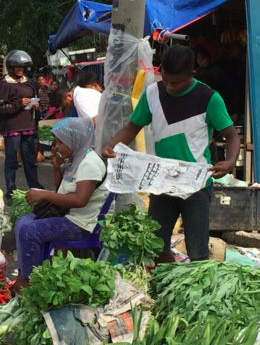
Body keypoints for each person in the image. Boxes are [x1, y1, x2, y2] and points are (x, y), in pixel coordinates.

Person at [101, 45, 239, 262]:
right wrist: (112, 145)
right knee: (156, 245)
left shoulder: (209, 98)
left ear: (191, 74)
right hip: (162, 181)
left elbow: (231, 135)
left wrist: (229, 162)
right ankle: (163, 287)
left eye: (176, 82)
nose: (170, 86)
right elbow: (132, 127)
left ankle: (196, 291)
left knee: (197, 251)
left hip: (196, 185)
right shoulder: (152, 93)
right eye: (166, 80)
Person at [13, 118, 107, 289]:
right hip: (69, 216)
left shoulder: (89, 164)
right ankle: (25, 274)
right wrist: (57, 168)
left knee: (30, 231)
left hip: (82, 224)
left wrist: (43, 195)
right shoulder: (76, 159)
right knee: (22, 222)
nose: (56, 147)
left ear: (75, 139)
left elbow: (79, 200)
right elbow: (60, 191)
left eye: (60, 142)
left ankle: (30, 282)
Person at [0, 50, 43, 201]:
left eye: (23, 67)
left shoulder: (30, 82)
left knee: (30, 160)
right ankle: (11, 190)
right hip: (12, 128)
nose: (20, 70)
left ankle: (35, 187)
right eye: (17, 67)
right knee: (12, 160)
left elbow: (37, 100)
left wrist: (35, 106)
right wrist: (20, 103)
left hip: (28, 127)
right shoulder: (4, 84)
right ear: (11, 67)